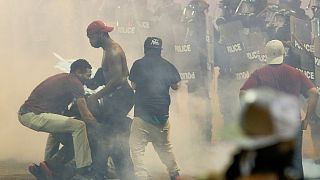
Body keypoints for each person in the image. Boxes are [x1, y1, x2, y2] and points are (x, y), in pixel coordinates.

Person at [240, 40, 319, 179]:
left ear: (266, 54)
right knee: (294, 163)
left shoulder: (259, 73)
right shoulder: (295, 73)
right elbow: (314, 92)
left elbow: (243, 94)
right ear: (284, 53)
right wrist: (307, 118)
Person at [18, 59, 97, 179]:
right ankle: (84, 168)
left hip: (27, 113)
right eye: (88, 75)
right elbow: (86, 116)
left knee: (58, 127)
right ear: (78, 72)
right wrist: (99, 128)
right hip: (33, 115)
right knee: (79, 126)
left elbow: (63, 112)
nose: (89, 79)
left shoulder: (65, 79)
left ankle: (46, 167)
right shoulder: (75, 83)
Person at [86, 20, 135, 179]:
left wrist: (96, 96)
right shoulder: (108, 49)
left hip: (121, 96)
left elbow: (118, 79)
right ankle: (122, 173)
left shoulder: (113, 50)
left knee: (112, 134)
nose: (90, 41)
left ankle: (118, 173)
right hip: (117, 97)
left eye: (90, 37)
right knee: (113, 135)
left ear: (100, 34)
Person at [129, 37, 181, 180]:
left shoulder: (138, 64)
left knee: (137, 147)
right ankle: (175, 174)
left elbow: (133, 86)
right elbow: (176, 86)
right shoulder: (168, 65)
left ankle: (141, 176)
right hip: (162, 116)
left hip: (142, 115)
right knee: (164, 147)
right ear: (160, 50)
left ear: (145, 49)